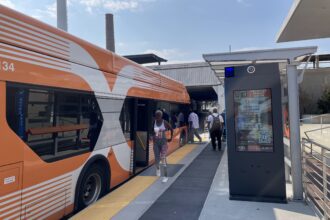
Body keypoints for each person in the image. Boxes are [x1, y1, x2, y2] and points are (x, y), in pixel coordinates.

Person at [153, 110, 173, 183]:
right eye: (156, 115)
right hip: (156, 143)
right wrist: (152, 136)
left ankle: (165, 176)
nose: (157, 117)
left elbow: (171, 128)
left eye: (158, 115)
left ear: (161, 116)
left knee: (163, 158)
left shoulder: (164, 122)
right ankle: (158, 169)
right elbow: (152, 131)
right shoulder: (154, 122)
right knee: (156, 159)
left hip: (163, 142)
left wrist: (171, 137)